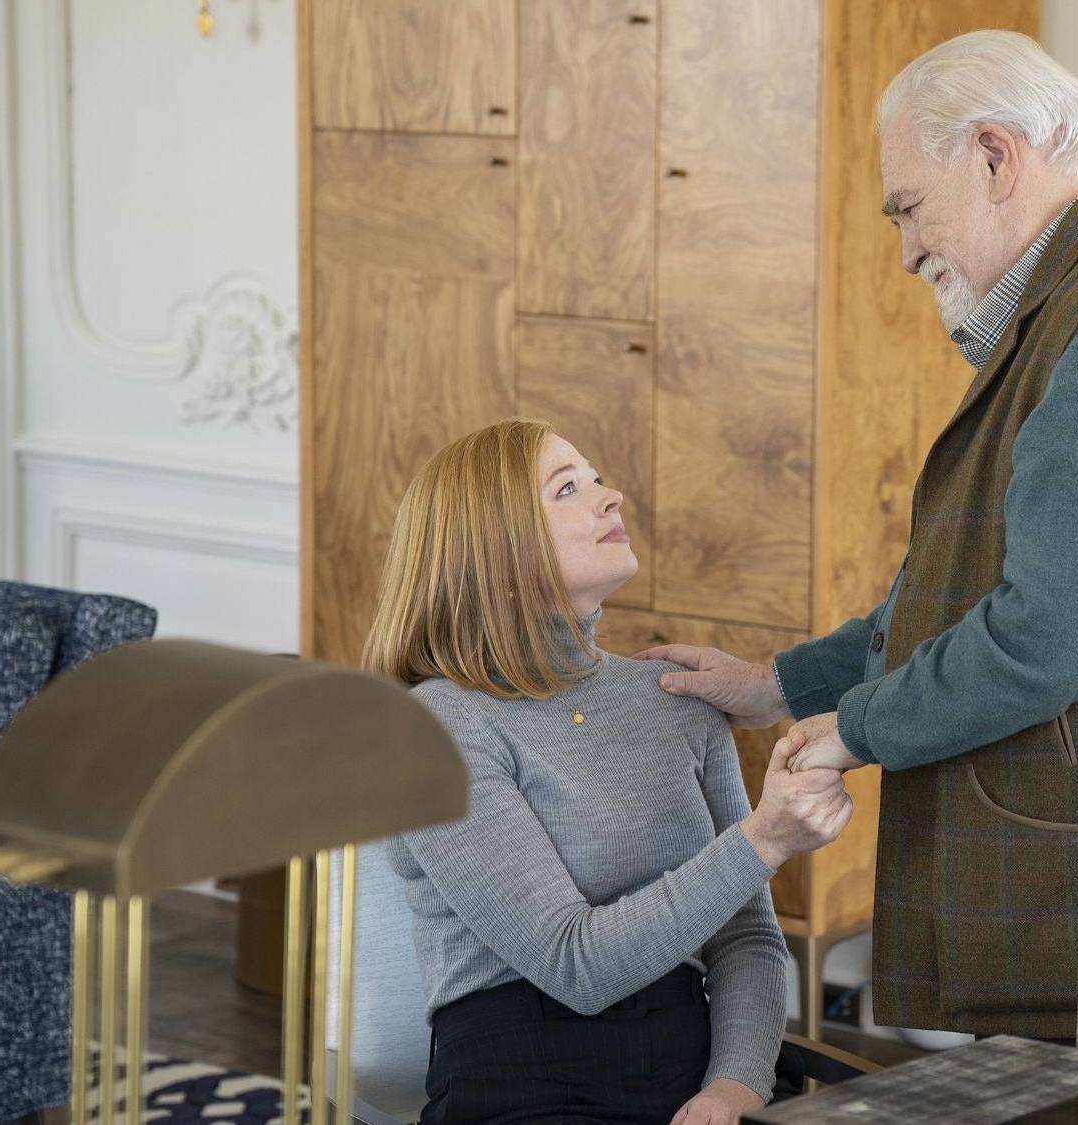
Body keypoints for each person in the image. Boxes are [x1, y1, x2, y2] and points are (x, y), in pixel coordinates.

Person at [641, 31, 1078, 1041]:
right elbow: (965, 589)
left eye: (907, 208)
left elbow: (1051, 635)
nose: (903, 251)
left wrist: (852, 731)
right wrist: (777, 687)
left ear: (992, 157)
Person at [365, 420, 853, 1124]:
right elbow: (575, 967)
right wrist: (764, 839)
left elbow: (747, 938)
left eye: (596, 478)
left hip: (695, 1070)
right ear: (497, 542)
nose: (611, 495)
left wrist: (736, 1088)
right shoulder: (439, 727)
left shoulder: (677, 699)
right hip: (523, 1083)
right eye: (568, 488)